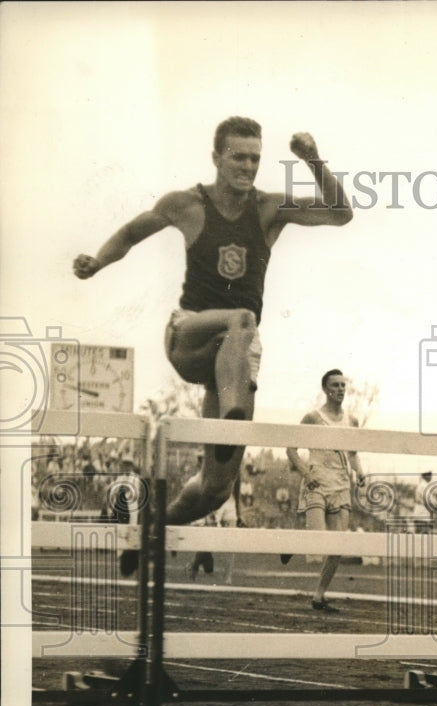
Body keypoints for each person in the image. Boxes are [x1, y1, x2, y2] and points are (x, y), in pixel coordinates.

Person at [73, 117, 353, 577]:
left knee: (215, 491)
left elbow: (341, 214)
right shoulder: (186, 204)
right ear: (216, 157)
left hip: (236, 355)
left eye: (256, 158)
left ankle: (150, 530)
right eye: (239, 156)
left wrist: (312, 158)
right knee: (241, 321)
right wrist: (97, 261)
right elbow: (130, 233)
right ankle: (231, 419)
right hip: (190, 335)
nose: (248, 166)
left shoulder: (267, 207)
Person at [285, 369, 366, 612]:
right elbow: (291, 449)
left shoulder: (352, 421)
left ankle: (319, 596)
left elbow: (353, 454)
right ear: (325, 389)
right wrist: (306, 474)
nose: (341, 389)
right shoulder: (312, 417)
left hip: (341, 485)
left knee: (337, 547)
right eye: (335, 385)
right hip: (317, 482)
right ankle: (290, 544)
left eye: (343, 385)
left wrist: (359, 472)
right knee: (317, 539)